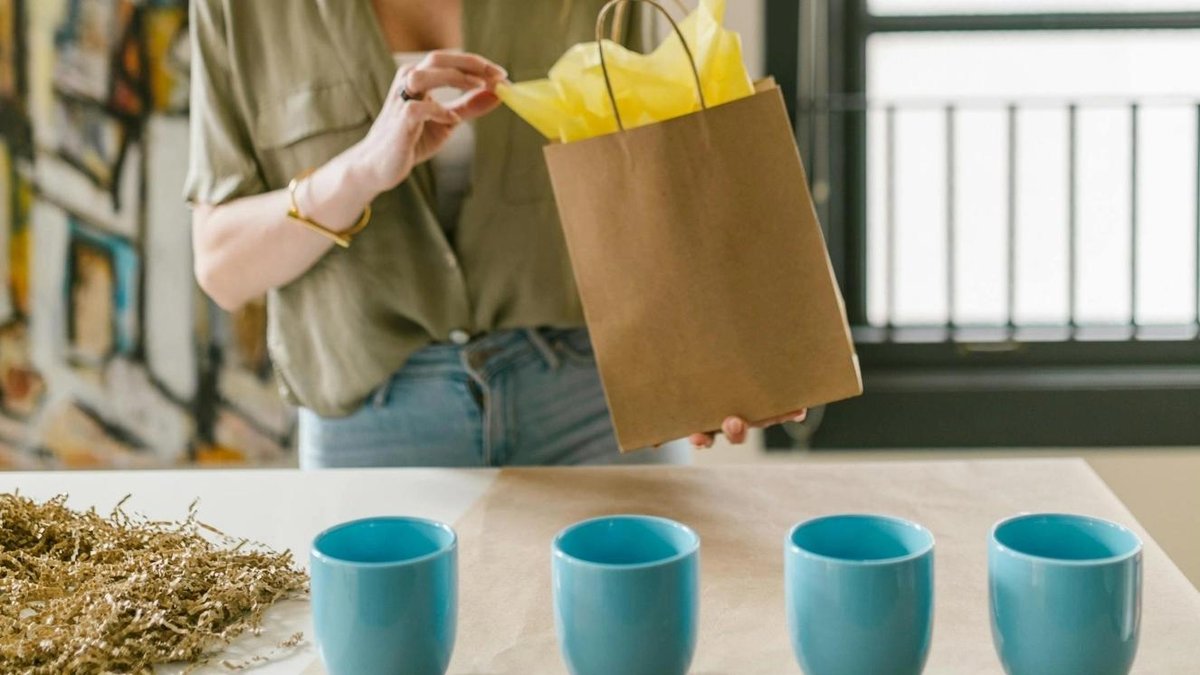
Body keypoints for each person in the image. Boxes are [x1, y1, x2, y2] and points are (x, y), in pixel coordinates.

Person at [185, 0, 806, 469]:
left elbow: (667, 185)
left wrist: (733, 356)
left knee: (630, 638)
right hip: (370, 421)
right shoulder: (238, 11)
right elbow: (222, 267)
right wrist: (360, 171)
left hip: (597, 399)